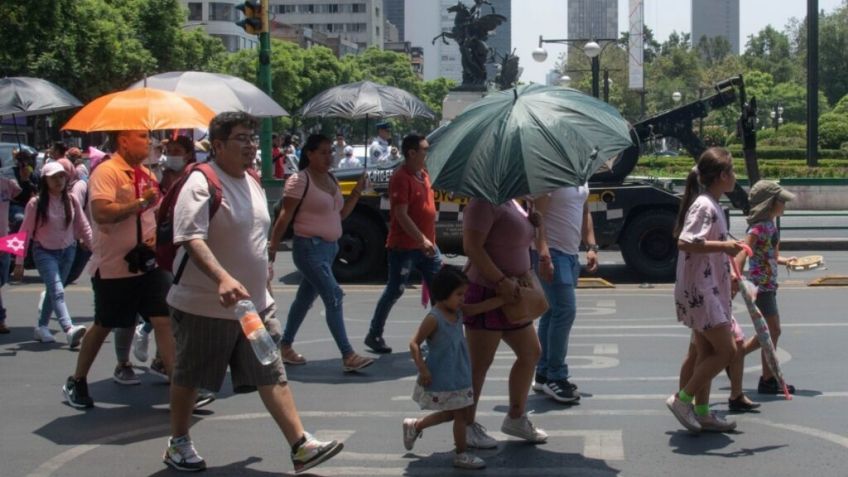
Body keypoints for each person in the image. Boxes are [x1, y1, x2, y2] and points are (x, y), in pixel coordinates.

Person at [164, 112, 342, 473]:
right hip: (205, 306)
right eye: (241, 138)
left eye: (252, 138)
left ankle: (300, 445)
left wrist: (264, 282)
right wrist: (222, 278)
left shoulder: (253, 180)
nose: (250, 146)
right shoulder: (200, 182)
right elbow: (190, 237)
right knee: (190, 377)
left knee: (271, 370)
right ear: (218, 145)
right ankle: (178, 442)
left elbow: (255, 238)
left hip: (253, 308)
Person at [61, 129, 175, 409]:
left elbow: (155, 212)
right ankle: (77, 380)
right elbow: (101, 213)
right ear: (124, 140)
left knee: (163, 319)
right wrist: (140, 203)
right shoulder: (107, 172)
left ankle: (181, 387)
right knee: (104, 323)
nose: (148, 142)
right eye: (142, 137)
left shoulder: (147, 174)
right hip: (115, 265)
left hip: (148, 264)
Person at [269, 134, 374, 372]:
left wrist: (357, 191)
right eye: (323, 152)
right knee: (333, 295)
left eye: (331, 152)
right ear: (310, 154)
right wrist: (273, 245)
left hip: (329, 249)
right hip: (309, 249)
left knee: (304, 299)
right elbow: (285, 216)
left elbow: (340, 215)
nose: (329, 157)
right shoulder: (299, 180)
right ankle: (348, 355)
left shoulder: (331, 179)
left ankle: (285, 346)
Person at [667, 147, 742, 433]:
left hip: (709, 287)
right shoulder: (704, 206)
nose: (735, 177)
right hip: (701, 290)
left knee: (705, 350)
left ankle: (702, 412)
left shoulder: (711, 204)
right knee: (727, 351)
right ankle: (682, 399)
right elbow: (686, 241)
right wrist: (724, 246)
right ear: (722, 175)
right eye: (732, 171)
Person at [461, 198, 547, 448]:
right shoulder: (483, 203)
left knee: (530, 353)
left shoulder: (515, 202)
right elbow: (472, 247)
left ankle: (516, 418)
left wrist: (534, 225)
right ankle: (465, 426)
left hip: (515, 294)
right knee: (479, 364)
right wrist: (500, 281)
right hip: (488, 291)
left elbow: (512, 240)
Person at [404, 265, 504, 470]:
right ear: (443, 293)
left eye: (463, 294)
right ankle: (461, 453)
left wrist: (504, 299)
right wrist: (423, 369)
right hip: (444, 374)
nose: (462, 299)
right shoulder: (434, 318)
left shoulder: (458, 312)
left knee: (451, 414)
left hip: (460, 373)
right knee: (460, 415)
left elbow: (478, 308)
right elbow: (414, 343)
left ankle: (416, 425)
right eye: (459, 294)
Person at [365, 134, 441, 354]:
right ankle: (374, 334)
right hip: (405, 247)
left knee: (439, 292)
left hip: (428, 246)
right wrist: (421, 239)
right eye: (425, 150)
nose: (428, 153)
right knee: (395, 290)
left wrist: (427, 240)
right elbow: (401, 214)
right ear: (412, 153)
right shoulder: (401, 177)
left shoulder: (423, 174)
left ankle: (438, 338)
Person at [532, 183, 599, 403]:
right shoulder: (549, 176)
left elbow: (585, 211)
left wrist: (591, 246)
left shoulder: (581, 177)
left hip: (570, 254)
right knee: (565, 311)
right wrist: (543, 254)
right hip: (552, 253)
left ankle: (543, 373)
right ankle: (557, 376)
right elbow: (537, 217)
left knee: (552, 312)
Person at [14, 162, 91, 347]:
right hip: (44, 252)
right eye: (53, 177)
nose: (59, 181)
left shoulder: (71, 199)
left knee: (54, 290)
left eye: (62, 176)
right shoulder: (36, 203)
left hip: (68, 251)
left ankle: (42, 327)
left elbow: (84, 226)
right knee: (57, 290)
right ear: (45, 180)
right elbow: (24, 233)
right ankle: (69, 328)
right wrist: (19, 262)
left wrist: (97, 252)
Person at [735, 180, 798, 396]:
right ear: (770, 203)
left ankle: (766, 377)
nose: (784, 204)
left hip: (769, 284)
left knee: (769, 332)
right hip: (761, 286)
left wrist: (787, 260)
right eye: (781, 201)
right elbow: (744, 251)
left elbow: (772, 255)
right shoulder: (758, 227)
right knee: (772, 331)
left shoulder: (770, 225)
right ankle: (745, 361)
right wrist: (735, 277)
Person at [0, 173, 23, 334]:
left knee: (3, 278)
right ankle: (1, 319)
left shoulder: (7, 183)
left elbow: (24, 195)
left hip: (5, 237)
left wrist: (25, 177)